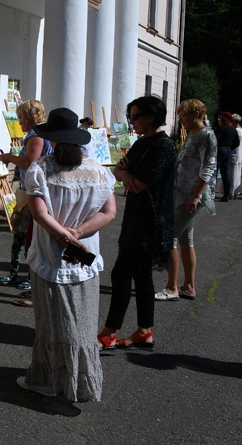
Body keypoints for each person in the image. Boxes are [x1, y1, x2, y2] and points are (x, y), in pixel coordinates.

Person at [16, 108, 116, 402]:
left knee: (50, 323)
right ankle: (81, 384)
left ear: (53, 139)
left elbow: (38, 212)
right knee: (82, 323)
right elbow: (109, 212)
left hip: (51, 257)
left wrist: (64, 235)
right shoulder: (98, 170)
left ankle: (48, 380)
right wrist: (79, 233)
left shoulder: (41, 169)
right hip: (84, 259)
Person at [97, 96, 176, 354]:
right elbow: (119, 172)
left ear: (151, 117)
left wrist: (126, 175)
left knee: (121, 274)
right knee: (141, 277)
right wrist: (126, 175)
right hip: (136, 217)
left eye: (135, 116)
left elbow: (140, 183)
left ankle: (109, 332)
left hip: (150, 221)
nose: (132, 122)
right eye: (130, 117)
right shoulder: (143, 143)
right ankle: (144, 332)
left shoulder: (163, 146)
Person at [155, 99, 217, 301]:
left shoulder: (206, 136)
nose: (180, 119)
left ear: (196, 114)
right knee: (185, 240)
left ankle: (172, 288)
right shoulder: (193, 133)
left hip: (190, 195)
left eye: (183, 115)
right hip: (181, 192)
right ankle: (188, 286)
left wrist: (197, 195)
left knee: (169, 236)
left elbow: (208, 168)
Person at [0, 100, 53, 300]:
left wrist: (10, 158)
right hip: (31, 190)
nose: (19, 122)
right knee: (22, 234)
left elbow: (30, 161)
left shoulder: (36, 135)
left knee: (26, 236)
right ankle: (16, 273)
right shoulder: (41, 133)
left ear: (31, 117)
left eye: (21, 117)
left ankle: (29, 278)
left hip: (32, 192)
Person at [214, 112, 239, 202]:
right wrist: (230, 147)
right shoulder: (233, 130)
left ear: (222, 120)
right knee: (225, 174)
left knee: (214, 172)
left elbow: (215, 140)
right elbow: (237, 142)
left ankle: (212, 193)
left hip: (220, 150)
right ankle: (226, 195)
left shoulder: (220, 129)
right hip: (228, 150)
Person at [232, 114, 242, 199]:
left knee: (233, 173)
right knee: (238, 173)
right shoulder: (241, 130)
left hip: (235, 153)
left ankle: (232, 191)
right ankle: (236, 191)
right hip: (240, 154)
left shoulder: (235, 131)